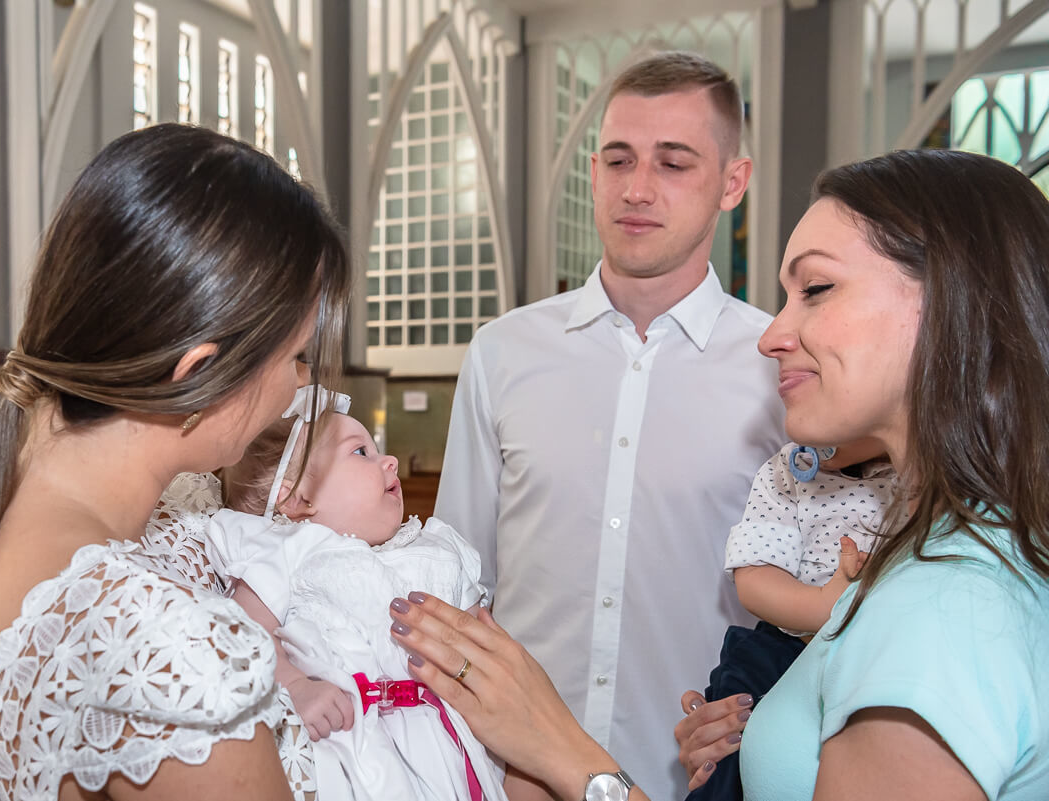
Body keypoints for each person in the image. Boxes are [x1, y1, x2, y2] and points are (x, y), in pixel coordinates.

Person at [390, 149, 1049, 801]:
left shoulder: (948, 605)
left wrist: (561, 750)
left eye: (816, 289)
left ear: (954, 304)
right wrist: (763, 745)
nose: (772, 335)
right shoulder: (954, 553)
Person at [0, 123, 351, 801]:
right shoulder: (162, 640)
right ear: (199, 376)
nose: (299, 386)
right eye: (296, 357)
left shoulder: (25, 503)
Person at [434, 51, 785, 799]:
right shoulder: (503, 352)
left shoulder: (778, 370)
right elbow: (457, 580)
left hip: (691, 781)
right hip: (508, 778)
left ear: (733, 183)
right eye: (619, 159)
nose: (637, 188)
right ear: (593, 173)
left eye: (674, 163)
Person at [206, 387, 506, 801]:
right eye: (360, 452)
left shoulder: (438, 549)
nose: (390, 460)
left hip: (452, 746)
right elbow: (243, 631)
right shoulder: (291, 552)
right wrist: (296, 685)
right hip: (351, 744)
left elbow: (481, 645)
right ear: (297, 499)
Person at [691, 438, 894, 800]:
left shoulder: (933, 477)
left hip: (880, 663)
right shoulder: (789, 468)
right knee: (729, 749)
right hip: (785, 649)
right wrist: (826, 606)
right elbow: (755, 577)